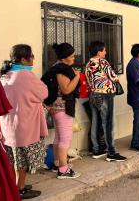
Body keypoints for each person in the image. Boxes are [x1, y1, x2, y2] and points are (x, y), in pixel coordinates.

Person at [0, 53, 30, 200]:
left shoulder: (4, 76)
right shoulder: (25, 76)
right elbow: (43, 92)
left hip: (5, 127)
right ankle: (20, 187)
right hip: (20, 126)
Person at [86, 41, 127, 162]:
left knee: (95, 122)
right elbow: (113, 77)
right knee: (108, 123)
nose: (106, 52)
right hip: (105, 95)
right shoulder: (103, 62)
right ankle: (111, 153)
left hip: (93, 94)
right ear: (99, 52)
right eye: (104, 50)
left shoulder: (88, 63)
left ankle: (96, 149)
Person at [47, 43, 81, 179]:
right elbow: (66, 89)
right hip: (63, 108)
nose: (74, 58)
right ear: (64, 57)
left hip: (56, 107)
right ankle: (63, 169)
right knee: (65, 140)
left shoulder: (56, 67)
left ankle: (57, 163)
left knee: (58, 137)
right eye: (72, 56)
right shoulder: (61, 70)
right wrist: (77, 77)